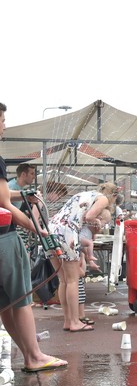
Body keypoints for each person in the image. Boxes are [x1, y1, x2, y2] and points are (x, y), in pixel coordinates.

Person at [0, 102, 68, 372]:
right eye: (2, 119)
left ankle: (30, 353)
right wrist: (35, 228)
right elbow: (5, 206)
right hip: (4, 239)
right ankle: (35, 357)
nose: (4, 125)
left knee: (5, 304)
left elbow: (3, 197)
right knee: (22, 299)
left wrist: (22, 195)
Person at [49, 182, 119, 332]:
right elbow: (89, 216)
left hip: (53, 228)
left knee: (63, 280)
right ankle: (75, 322)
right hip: (67, 231)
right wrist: (98, 222)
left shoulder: (84, 195)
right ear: (113, 195)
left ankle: (68, 321)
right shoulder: (103, 199)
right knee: (73, 280)